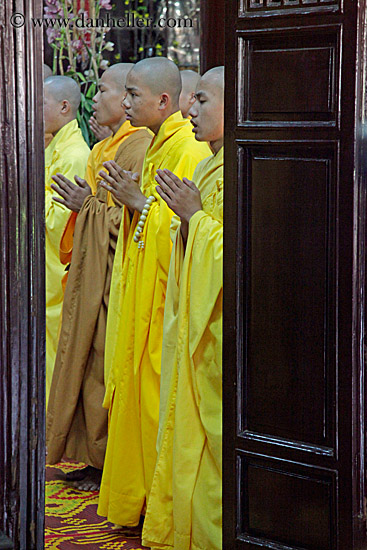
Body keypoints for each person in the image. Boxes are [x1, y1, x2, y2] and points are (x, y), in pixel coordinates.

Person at [96, 57, 211, 528]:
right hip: (143, 297)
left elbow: (181, 230)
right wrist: (134, 204)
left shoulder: (186, 151)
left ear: (164, 100)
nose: (124, 103)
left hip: (166, 304)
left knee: (156, 409)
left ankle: (156, 507)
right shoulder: (158, 147)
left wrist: (140, 203)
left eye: (133, 95)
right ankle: (141, 503)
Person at [46, 64, 151, 491]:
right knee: (87, 364)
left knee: (105, 368)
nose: (106, 100)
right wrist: (86, 205)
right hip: (91, 275)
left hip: (117, 278)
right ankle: (90, 457)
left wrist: (87, 204)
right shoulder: (104, 150)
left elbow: (137, 218)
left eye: (107, 90)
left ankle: (107, 460)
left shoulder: (139, 146)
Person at [142, 66, 225, 550]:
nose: (189, 110)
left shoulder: (242, 165)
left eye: (203, 101)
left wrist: (194, 217)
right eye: (191, 101)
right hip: (190, 315)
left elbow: (237, 254)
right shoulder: (205, 164)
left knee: (211, 440)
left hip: (214, 329)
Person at [44, 76, 90, 407]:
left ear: (64, 106)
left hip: (54, 267)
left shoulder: (74, 153)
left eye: (39, 104)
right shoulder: (56, 147)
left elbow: (58, 223)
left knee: (53, 341)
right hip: (40, 265)